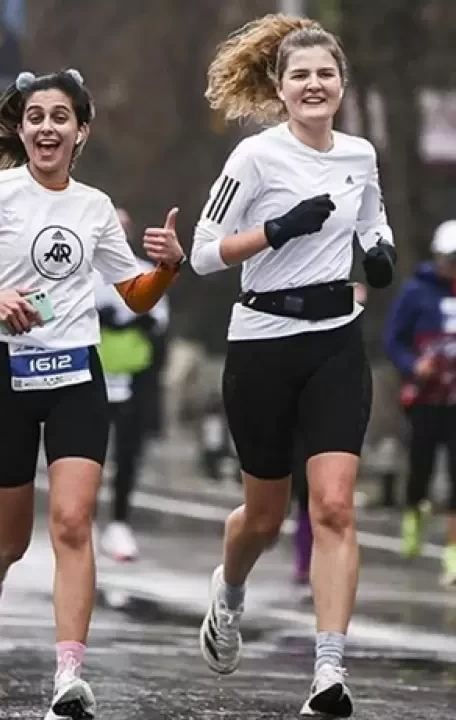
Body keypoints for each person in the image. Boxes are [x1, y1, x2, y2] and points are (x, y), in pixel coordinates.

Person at [0, 68, 183, 719]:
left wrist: (167, 266)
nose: (47, 128)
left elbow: (134, 296)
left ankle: (69, 676)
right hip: (6, 372)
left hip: (75, 375)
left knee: (73, 521)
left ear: (81, 131)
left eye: (61, 117)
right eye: (36, 117)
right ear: (23, 128)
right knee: (12, 538)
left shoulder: (92, 207)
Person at [191, 15, 398, 718]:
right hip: (262, 342)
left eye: (325, 74)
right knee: (263, 514)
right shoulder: (254, 159)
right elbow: (202, 252)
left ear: (341, 84)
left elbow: (374, 221)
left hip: (336, 339)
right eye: (300, 75)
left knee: (335, 506)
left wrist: (379, 253)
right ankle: (230, 591)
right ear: (280, 88)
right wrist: (277, 230)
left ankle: (329, 673)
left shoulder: (360, 155)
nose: (315, 85)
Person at [93, 212, 170, 563]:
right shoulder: (85, 275)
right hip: (92, 375)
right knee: (88, 455)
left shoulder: (144, 272)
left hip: (133, 377)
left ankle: (120, 522)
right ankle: (84, 518)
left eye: (124, 231)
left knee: (128, 453)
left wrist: (145, 322)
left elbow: (160, 325)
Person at [385, 220, 456, 586]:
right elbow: (393, 340)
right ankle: (414, 516)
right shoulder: (416, 293)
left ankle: (453, 555)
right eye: (450, 259)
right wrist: (415, 366)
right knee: (422, 466)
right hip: (426, 397)